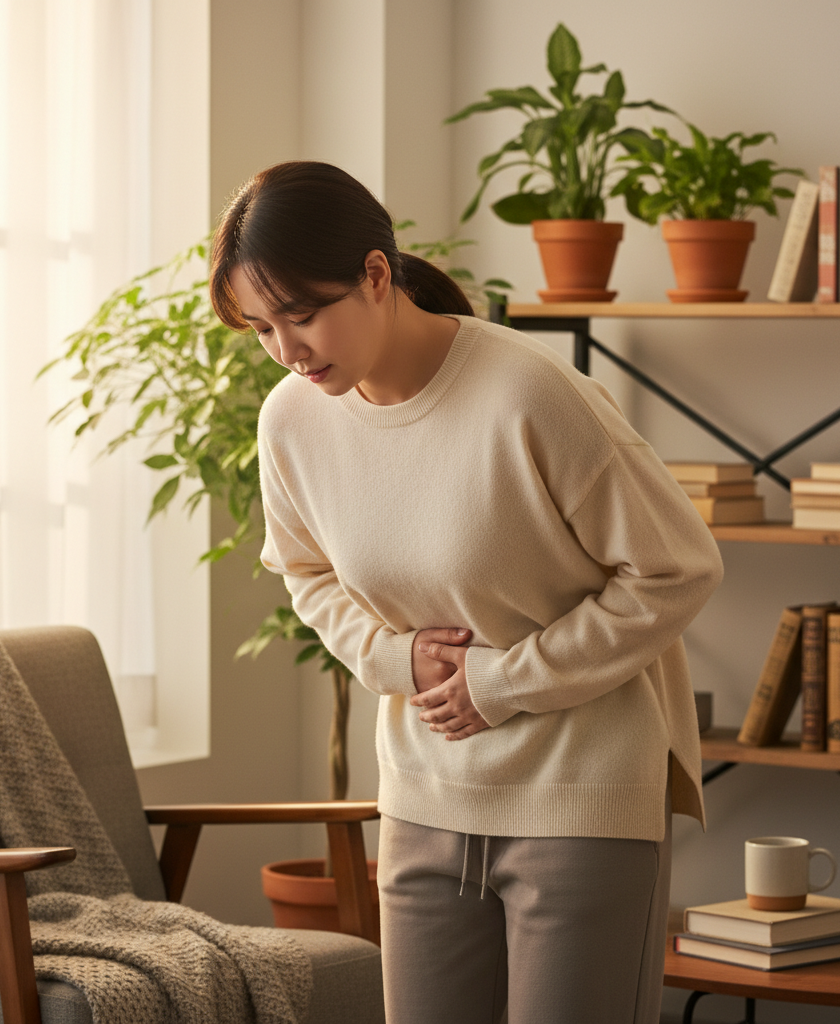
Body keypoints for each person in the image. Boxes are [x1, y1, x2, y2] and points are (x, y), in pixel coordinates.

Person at [209, 160, 724, 1024]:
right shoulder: (291, 421)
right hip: (422, 800)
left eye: (301, 315)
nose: (287, 352)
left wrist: (503, 682)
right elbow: (304, 571)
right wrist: (391, 656)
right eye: (261, 328)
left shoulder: (530, 392)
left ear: (377, 274)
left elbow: (678, 569)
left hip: (582, 796)